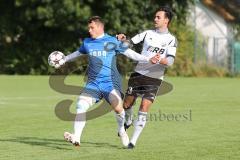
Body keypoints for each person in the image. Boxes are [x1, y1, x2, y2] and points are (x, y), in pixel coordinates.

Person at [53, 16, 159, 147]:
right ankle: (77, 137)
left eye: (92, 27)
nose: (89, 30)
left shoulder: (112, 41)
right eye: (89, 28)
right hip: (93, 84)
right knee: (81, 105)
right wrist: (64, 59)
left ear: (99, 27)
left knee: (119, 109)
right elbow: (77, 53)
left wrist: (148, 59)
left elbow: (130, 53)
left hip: (110, 84)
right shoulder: (87, 42)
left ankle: (122, 130)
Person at [117, 6, 178, 149]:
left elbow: (170, 61)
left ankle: (133, 141)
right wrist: (122, 40)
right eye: (155, 17)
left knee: (144, 106)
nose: (155, 19)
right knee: (126, 105)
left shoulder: (171, 40)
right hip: (138, 74)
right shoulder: (147, 33)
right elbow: (130, 43)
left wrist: (160, 60)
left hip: (155, 78)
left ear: (166, 20)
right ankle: (129, 119)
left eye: (158, 17)